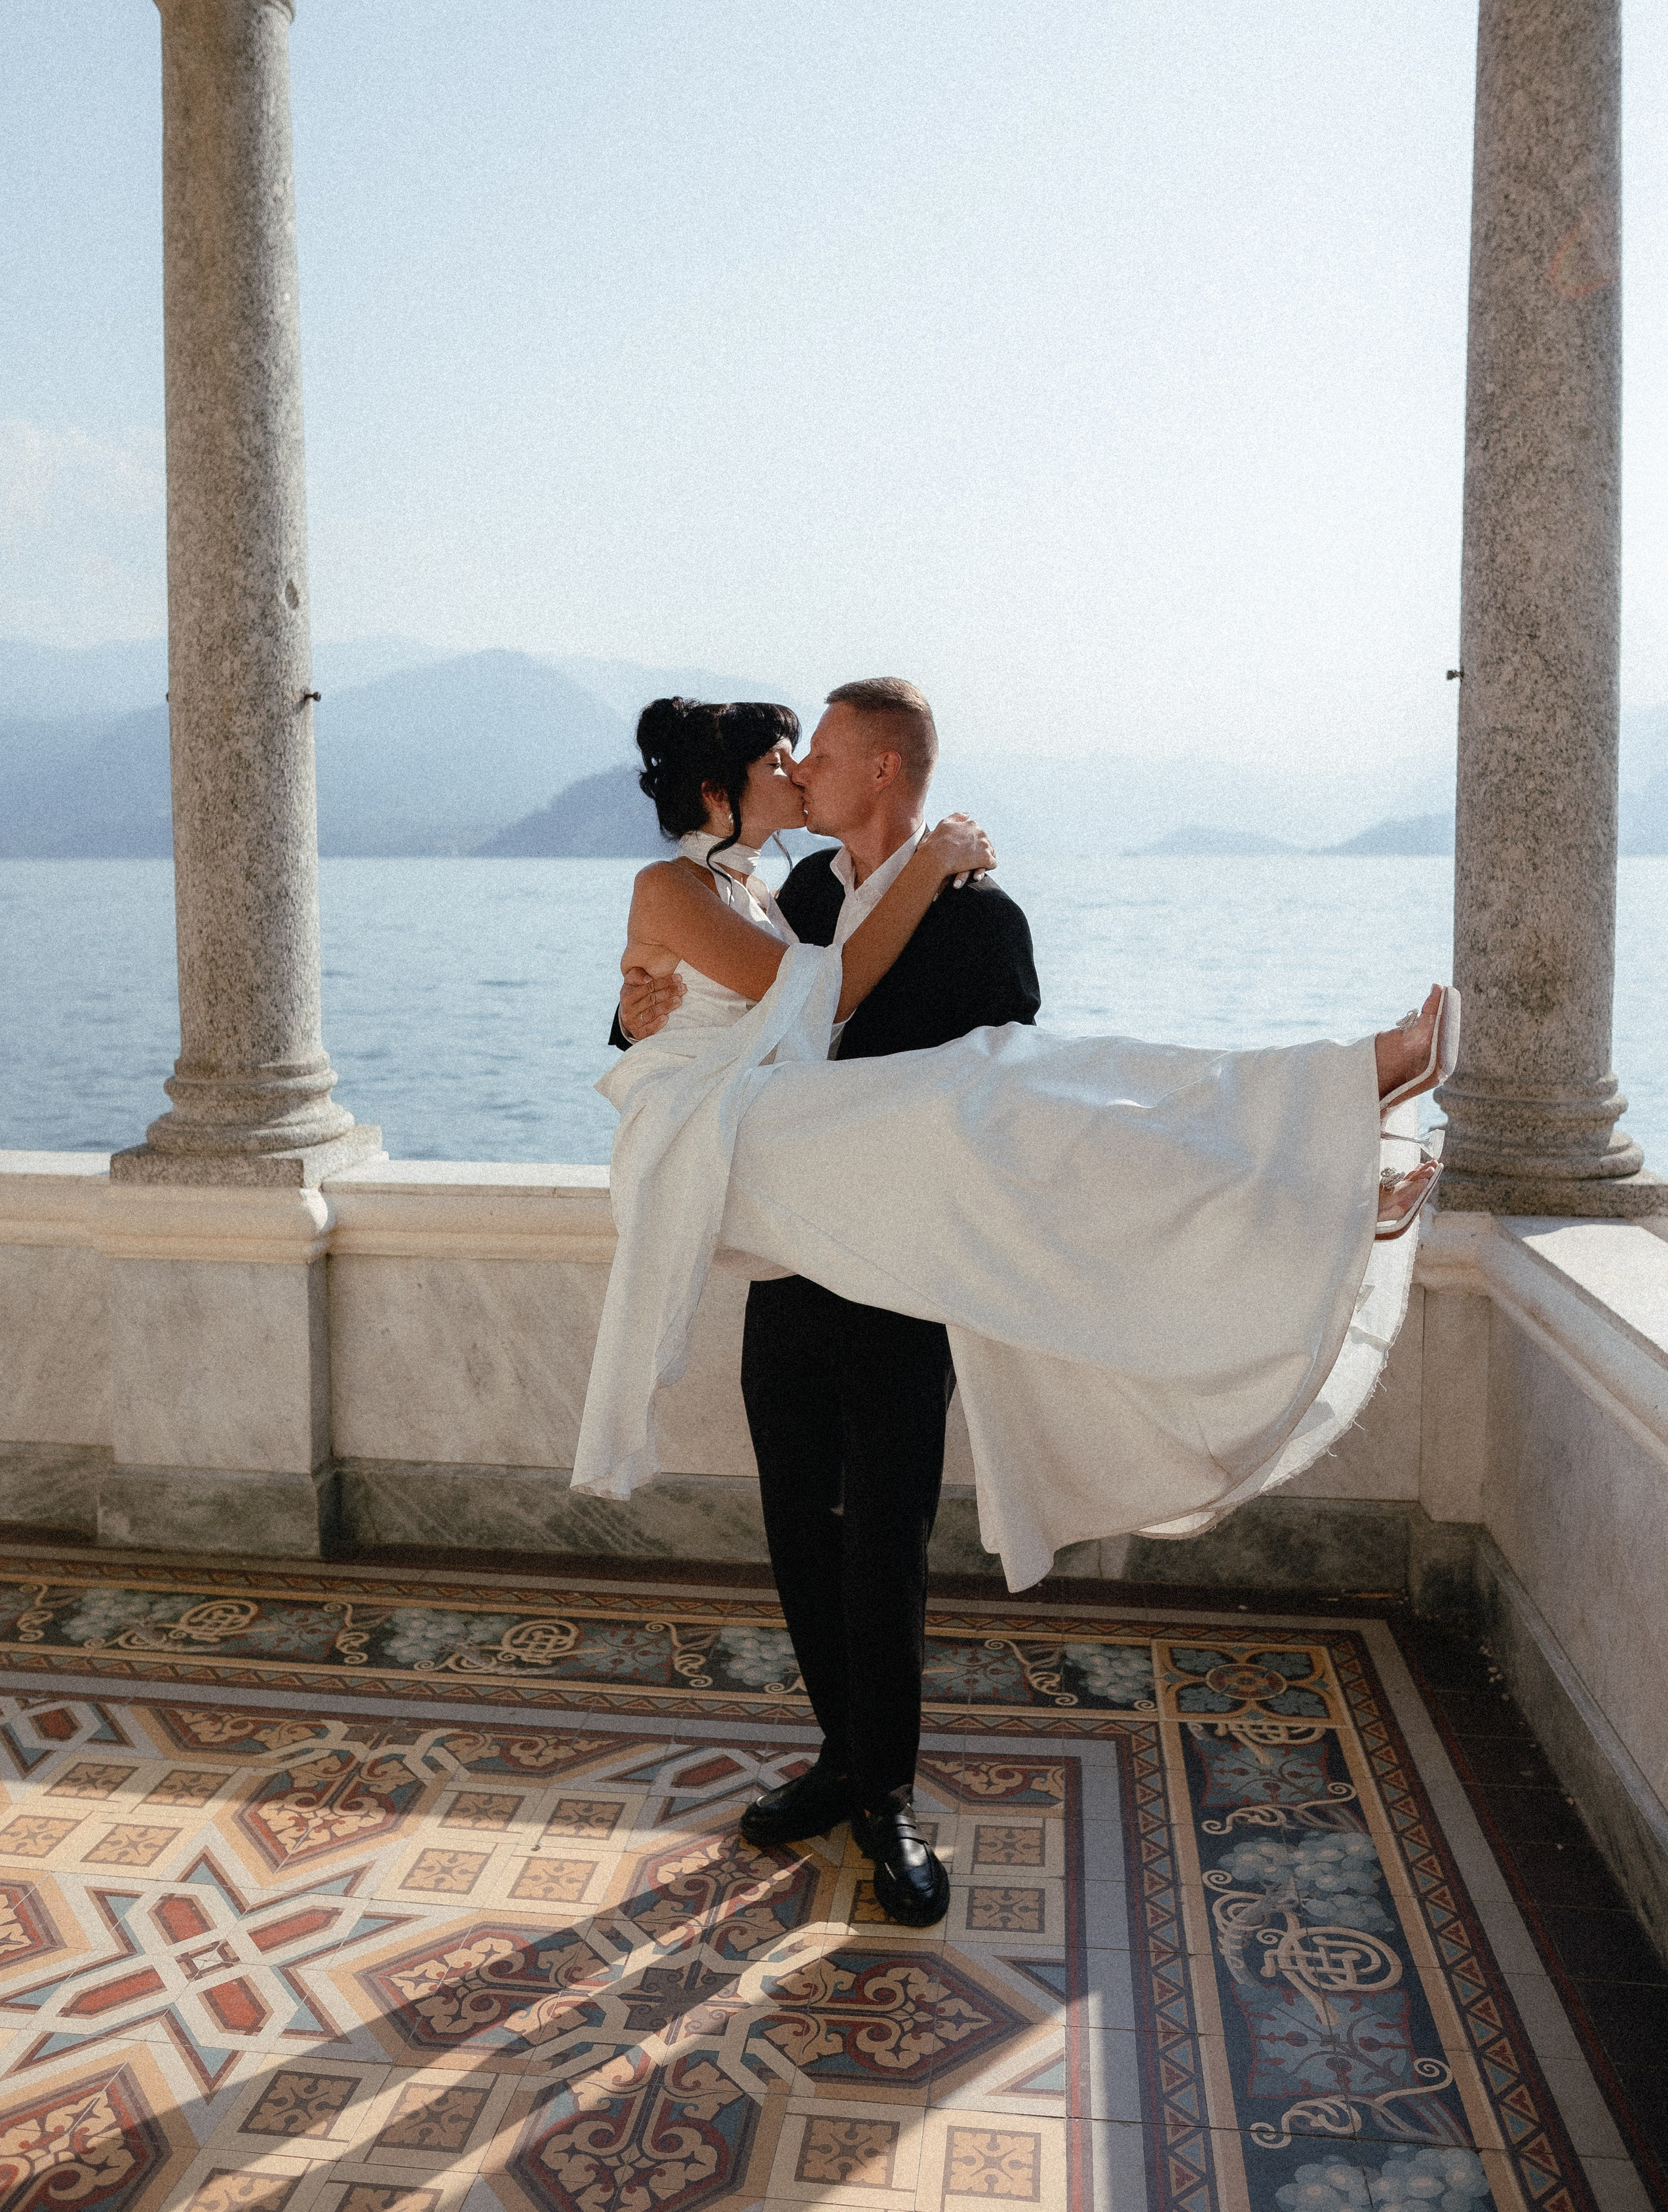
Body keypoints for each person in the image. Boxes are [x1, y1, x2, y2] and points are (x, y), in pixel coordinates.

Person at [582, 679, 1454, 1931]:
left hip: (900, 1278)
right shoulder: (801, 894)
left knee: (884, 1536)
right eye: (790, 757)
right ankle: (837, 1757)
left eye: (820, 752)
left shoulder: (985, 923)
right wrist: (630, 999)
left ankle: (884, 1793)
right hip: (787, 1262)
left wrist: (938, 875)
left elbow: (1040, 1131)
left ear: (881, 769)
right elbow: (702, 1005)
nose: (804, 769)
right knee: (796, 1527)